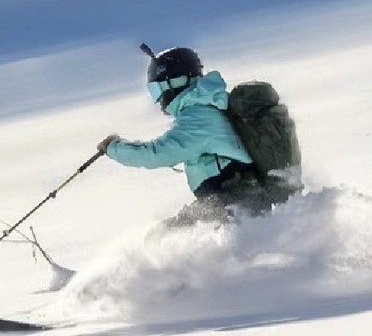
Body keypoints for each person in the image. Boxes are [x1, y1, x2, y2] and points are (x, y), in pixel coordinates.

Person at [97, 46, 271, 225]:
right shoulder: (209, 104)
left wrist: (113, 147)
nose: (159, 99)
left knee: (162, 240)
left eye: (158, 89)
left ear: (173, 83)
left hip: (236, 201)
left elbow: (156, 154)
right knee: (165, 234)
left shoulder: (199, 116)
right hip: (239, 197)